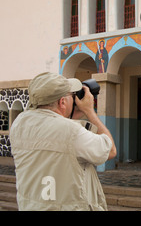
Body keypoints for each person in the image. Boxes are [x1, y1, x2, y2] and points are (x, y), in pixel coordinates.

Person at [10, 72, 117, 211]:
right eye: (72, 96)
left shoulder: (19, 124)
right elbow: (111, 151)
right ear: (62, 102)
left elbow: (51, 128)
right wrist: (90, 111)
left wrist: (69, 112)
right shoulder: (72, 132)